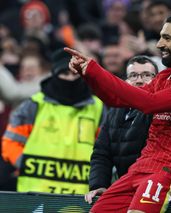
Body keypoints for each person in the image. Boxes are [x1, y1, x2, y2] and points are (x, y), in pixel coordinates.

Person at [66, 13, 171, 213]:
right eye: (161, 37)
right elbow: (117, 100)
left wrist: (97, 70)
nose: (159, 44)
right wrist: (89, 75)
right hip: (141, 167)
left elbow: (150, 103)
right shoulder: (164, 77)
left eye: (167, 38)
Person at [1, 48, 105, 194]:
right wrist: (25, 164)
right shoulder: (34, 105)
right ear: (55, 74)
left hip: (80, 196)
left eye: (75, 74)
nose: (70, 79)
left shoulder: (98, 108)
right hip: (35, 193)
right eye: (64, 73)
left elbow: (105, 151)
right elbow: (10, 142)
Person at [84, 55, 158, 204]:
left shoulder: (160, 111)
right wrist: (99, 185)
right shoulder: (114, 112)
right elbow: (101, 154)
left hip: (151, 192)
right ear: (125, 81)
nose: (139, 80)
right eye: (133, 75)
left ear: (158, 80)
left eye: (146, 75)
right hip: (124, 190)